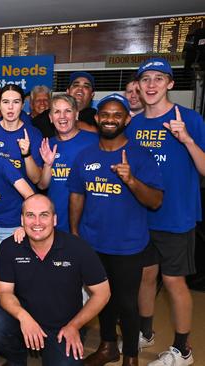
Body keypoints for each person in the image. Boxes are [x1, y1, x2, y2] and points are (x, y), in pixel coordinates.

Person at [68, 93, 164, 366]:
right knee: (102, 299)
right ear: (97, 118)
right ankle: (108, 346)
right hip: (93, 243)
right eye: (105, 114)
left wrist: (131, 179)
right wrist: (75, 233)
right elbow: (76, 195)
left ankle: (130, 357)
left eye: (117, 115)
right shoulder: (85, 156)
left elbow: (156, 201)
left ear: (127, 119)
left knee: (127, 304)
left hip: (128, 245)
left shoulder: (140, 156)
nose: (110, 119)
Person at [127, 57, 205, 366]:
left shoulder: (190, 119)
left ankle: (183, 350)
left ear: (170, 84)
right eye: (146, 79)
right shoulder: (133, 124)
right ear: (138, 85)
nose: (151, 85)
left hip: (176, 217)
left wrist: (185, 139)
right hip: (141, 218)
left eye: (159, 79)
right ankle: (145, 333)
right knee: (145, 278)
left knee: (174, 282)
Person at [0, 194, 110, 366]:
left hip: (63, 327)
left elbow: (103, 293)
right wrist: (24, 317)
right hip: (24, 319)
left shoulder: (77, 248)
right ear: (22, 220)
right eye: (30, 215)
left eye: (44, 215)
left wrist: (75, 325)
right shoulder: (10, 247)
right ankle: (16, 359)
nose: (37, 222)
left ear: (54, 219)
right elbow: (3, 292)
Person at [37, 95, 98, 232]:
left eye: (68, 111)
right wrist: (48, 164)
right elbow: (42, 185)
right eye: (57, 112)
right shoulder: (47, 144)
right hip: (57, 222)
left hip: (89, 223)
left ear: (76, 115)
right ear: (51, 118)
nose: (62, 116)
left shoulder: (94, 142)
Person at [0, 84, 44, 186]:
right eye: (5, 102)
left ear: (22, 105)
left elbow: (36, 179)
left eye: (16, 102)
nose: (10, 107)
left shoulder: (33, 134)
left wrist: (27, 154)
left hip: (24, 199)